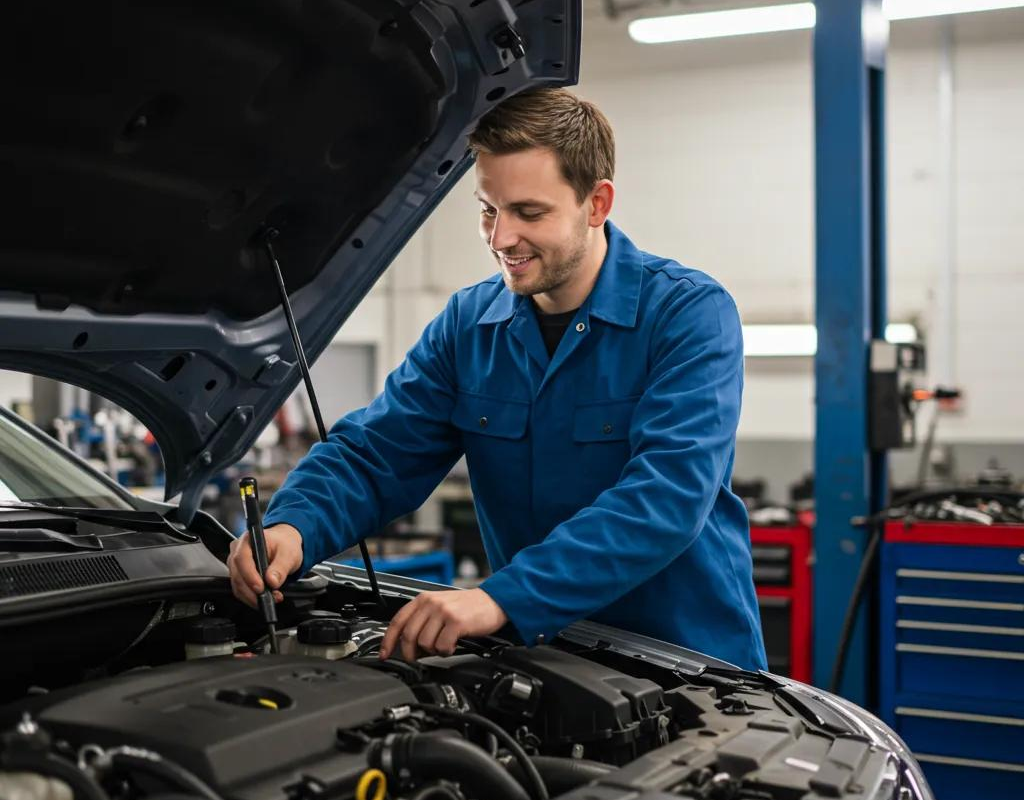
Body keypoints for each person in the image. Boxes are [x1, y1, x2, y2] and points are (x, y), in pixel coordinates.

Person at [227, 88, 767, 671]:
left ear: (597, 203)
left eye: (529, 213)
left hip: (691, 667)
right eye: (489, 209)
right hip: (546, 659)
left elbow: (665, 497)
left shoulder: (688, 315)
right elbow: (377, 453)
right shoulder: (468, 325)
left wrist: (501, 597)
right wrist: (293, 526)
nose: (500, 238)